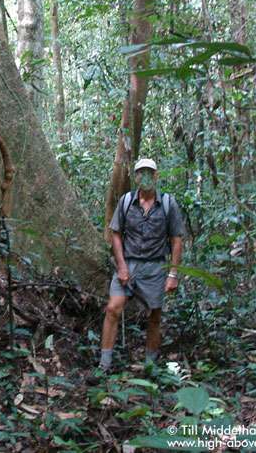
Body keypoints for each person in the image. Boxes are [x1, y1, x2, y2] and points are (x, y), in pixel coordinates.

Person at [97, 158, 185, 373]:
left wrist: (173, 274)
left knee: (154, 315)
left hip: (155, 267)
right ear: (135, 177)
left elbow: (176, 239)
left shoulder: (167, 203)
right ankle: (104, 364)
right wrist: (123, 266)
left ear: (156, 176)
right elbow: (116, 234)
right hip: (128, 263)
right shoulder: (127, 201)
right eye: (141, 173)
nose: (146, 177)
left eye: (150, 173)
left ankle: (150, 366)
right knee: (112, 309)